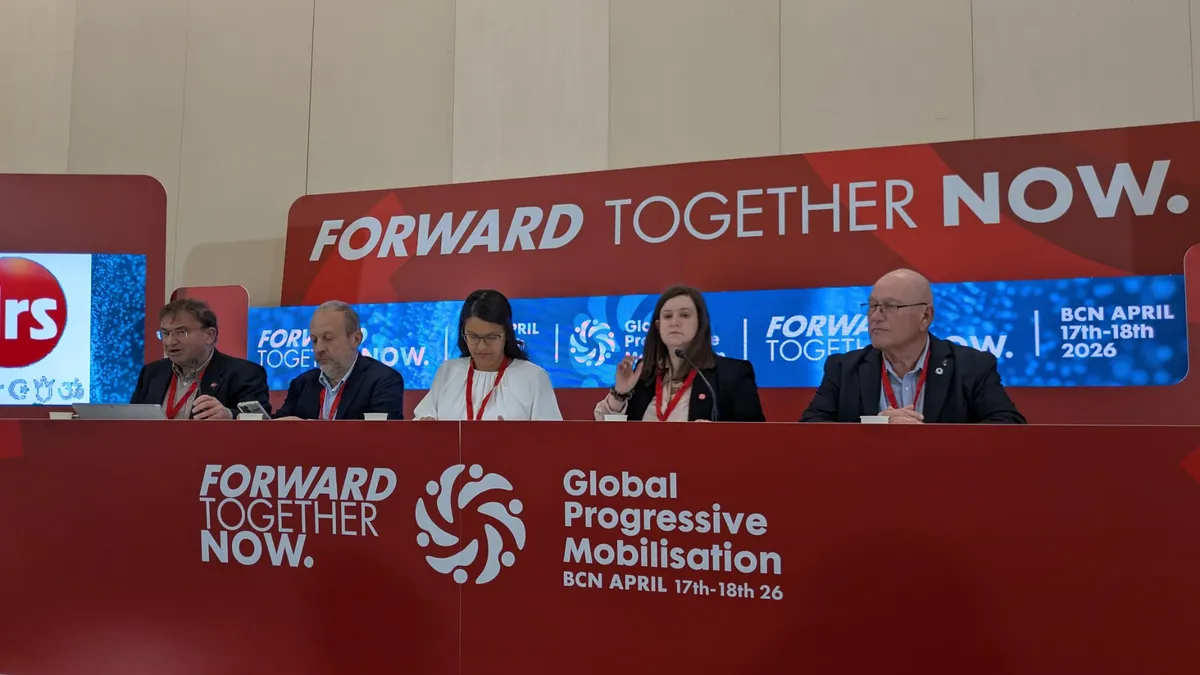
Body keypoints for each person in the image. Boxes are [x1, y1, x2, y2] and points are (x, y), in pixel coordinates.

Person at [800, 268, 1026, 424]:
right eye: (872, 306)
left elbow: (1009, 425)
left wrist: (927, 439)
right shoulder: (843, 368)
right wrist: (876, 427)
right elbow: (810, 428)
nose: (875, 316)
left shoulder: (971, 366)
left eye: (890, 306)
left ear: (925, 316)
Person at [595, 284, 765, 422]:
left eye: (684, 315)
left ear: (700, 324)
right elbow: (610, 436)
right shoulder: (643, 373)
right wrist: (620, 393)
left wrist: (716, 436)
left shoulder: (732, 374)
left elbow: (755, 439)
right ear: (658, 326)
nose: (674, 322)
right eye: (667, 316)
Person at [414, 289, 561, 421]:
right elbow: (422, 420)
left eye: (491, 337)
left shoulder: (533, 378)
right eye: (473, 337)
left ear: (507, 334)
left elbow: (550, 438)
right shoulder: (448, 371)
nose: (481, 347)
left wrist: (514, 438)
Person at [130, 299, 271, 419]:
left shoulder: (245, 373)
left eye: (181, 332)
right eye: (166, 333)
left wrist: (229, 415)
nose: (170, 342)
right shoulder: (151, 372)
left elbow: (262, 423)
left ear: (209, 335)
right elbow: (132, 421)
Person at [273, 301, 405, 420]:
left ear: (356, 339)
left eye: (328, 338)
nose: (319, 348)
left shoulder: (383, 381)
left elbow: (382, 435)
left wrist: (308, 428)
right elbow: (276, 426)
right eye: (314, 340)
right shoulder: (302, 384)